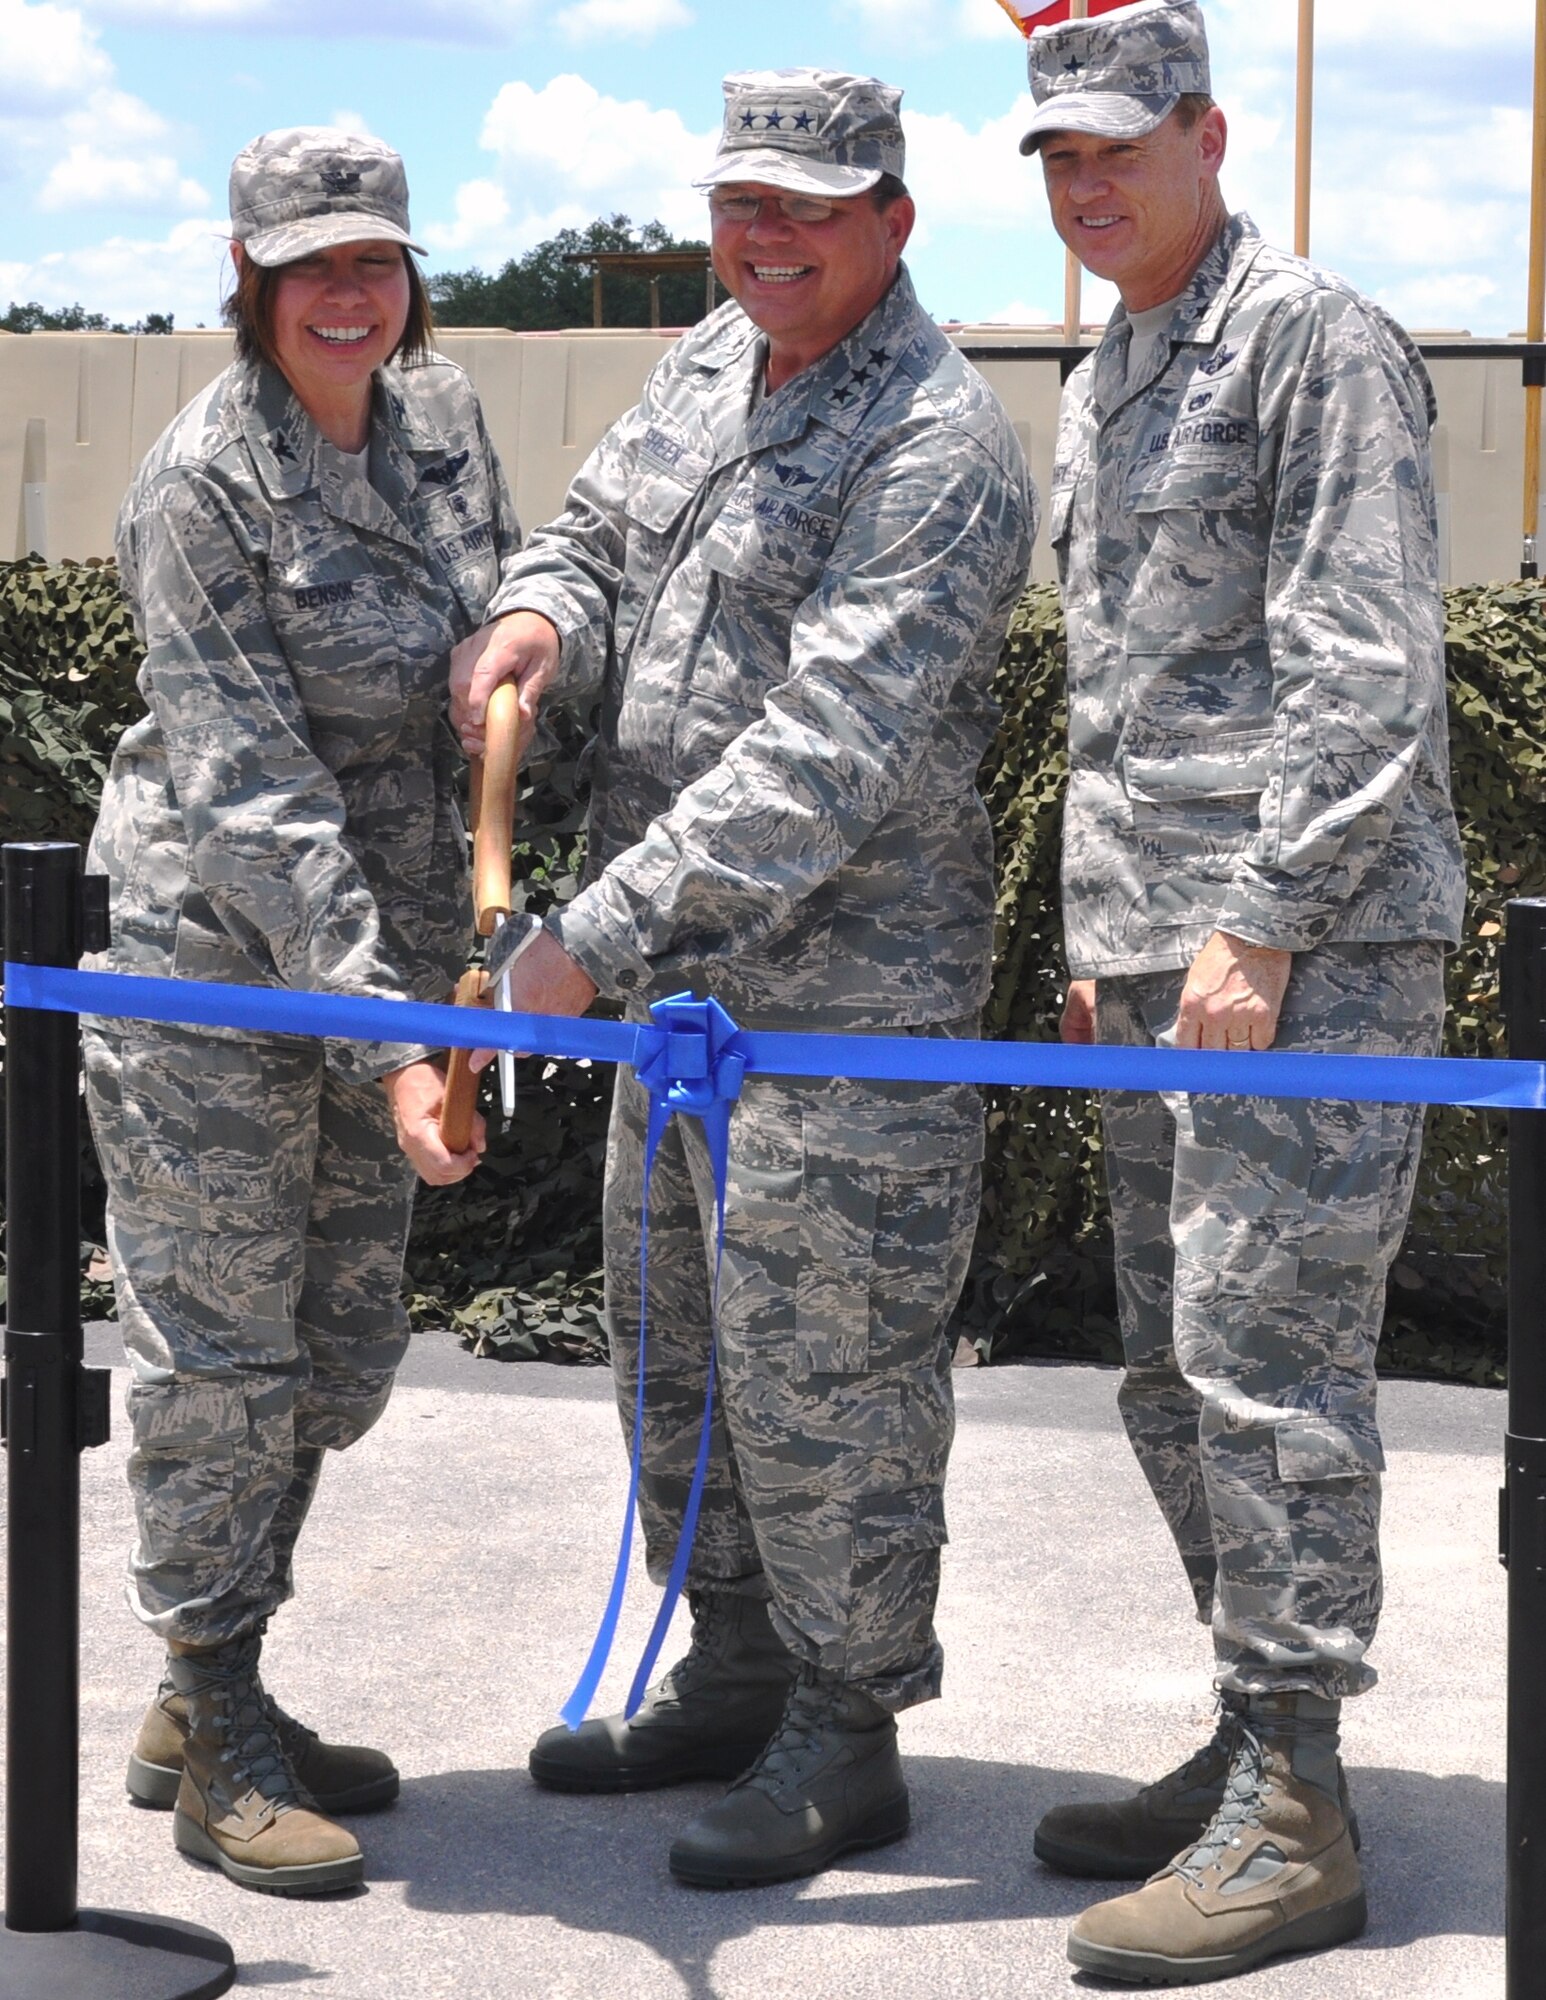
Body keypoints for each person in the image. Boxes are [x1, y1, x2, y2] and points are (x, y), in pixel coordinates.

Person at [448, 68, 1035, 1888]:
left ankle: (843, 1734)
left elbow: (823, 753)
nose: (762, 237)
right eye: (739, 204)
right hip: (675, 1005)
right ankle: (736, 1665)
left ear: (893, 221)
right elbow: (603, 534)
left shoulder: (938, 442)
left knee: (828, 1378)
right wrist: (542, 608)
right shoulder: (709, 361)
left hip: (843, 1022)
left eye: (806, 206)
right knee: (677, 1354)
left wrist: (582, 936)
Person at [1017, 0, 1466, 1982]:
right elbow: (1114, 700)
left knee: (1268, 1380)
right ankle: (1244, 1731)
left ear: (1209, 132)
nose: (1081, 178)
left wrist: (1263, 916)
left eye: (1115, 140)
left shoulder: (1311, 342)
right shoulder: (1107, 364)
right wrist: (1095, 939)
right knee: (1165, 1374)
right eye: (1052, 153)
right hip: (1163, 961)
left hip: (1300, 958)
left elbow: (1362, 668)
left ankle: (1294, 1804)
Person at [82, 126, 515, 1896]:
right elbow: (253, 794)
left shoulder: (441, 426)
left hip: (387, 969)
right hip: (219, 977)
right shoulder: (203, 485)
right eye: (312, 264)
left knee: (334, 1354)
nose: (350, 292)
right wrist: (396, 1031)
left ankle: (218, 1676)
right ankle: (212, 1708)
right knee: (222, 1357)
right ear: (248, 279)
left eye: (378, 261)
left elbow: (485, 652)